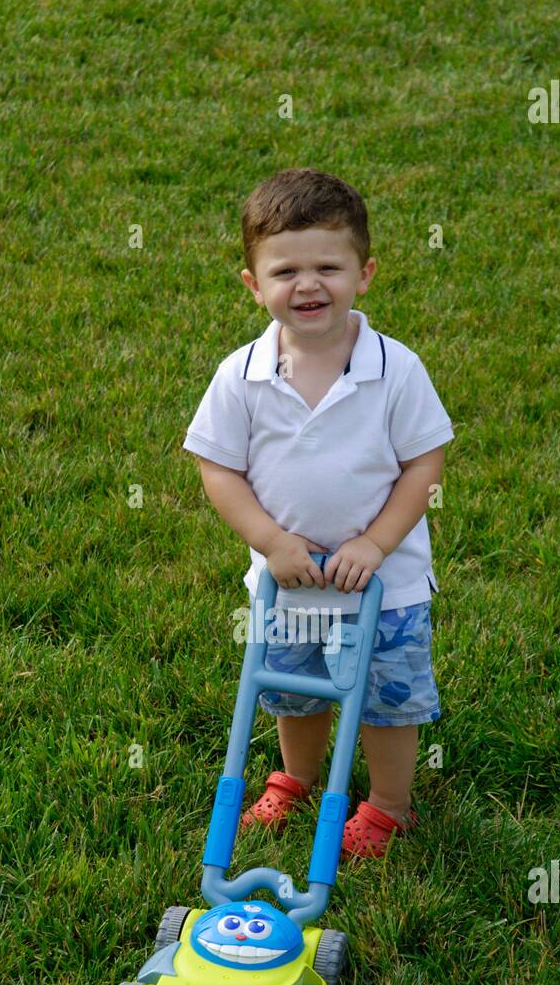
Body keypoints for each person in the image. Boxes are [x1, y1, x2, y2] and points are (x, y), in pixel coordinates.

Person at [183, 168, 453, 858]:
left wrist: (377, 542)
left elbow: (425, 464)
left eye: (328, 267)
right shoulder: (238, 376)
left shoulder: (396, 369)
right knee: (290, 692)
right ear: (253, 285)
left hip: (383, 588)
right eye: (287, 271)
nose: (308, 285)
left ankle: (388, 807)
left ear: (364, 273)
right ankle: (296, 777)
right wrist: (271, 541)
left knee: (388, 701)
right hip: (289, 580)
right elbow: (219, 468)